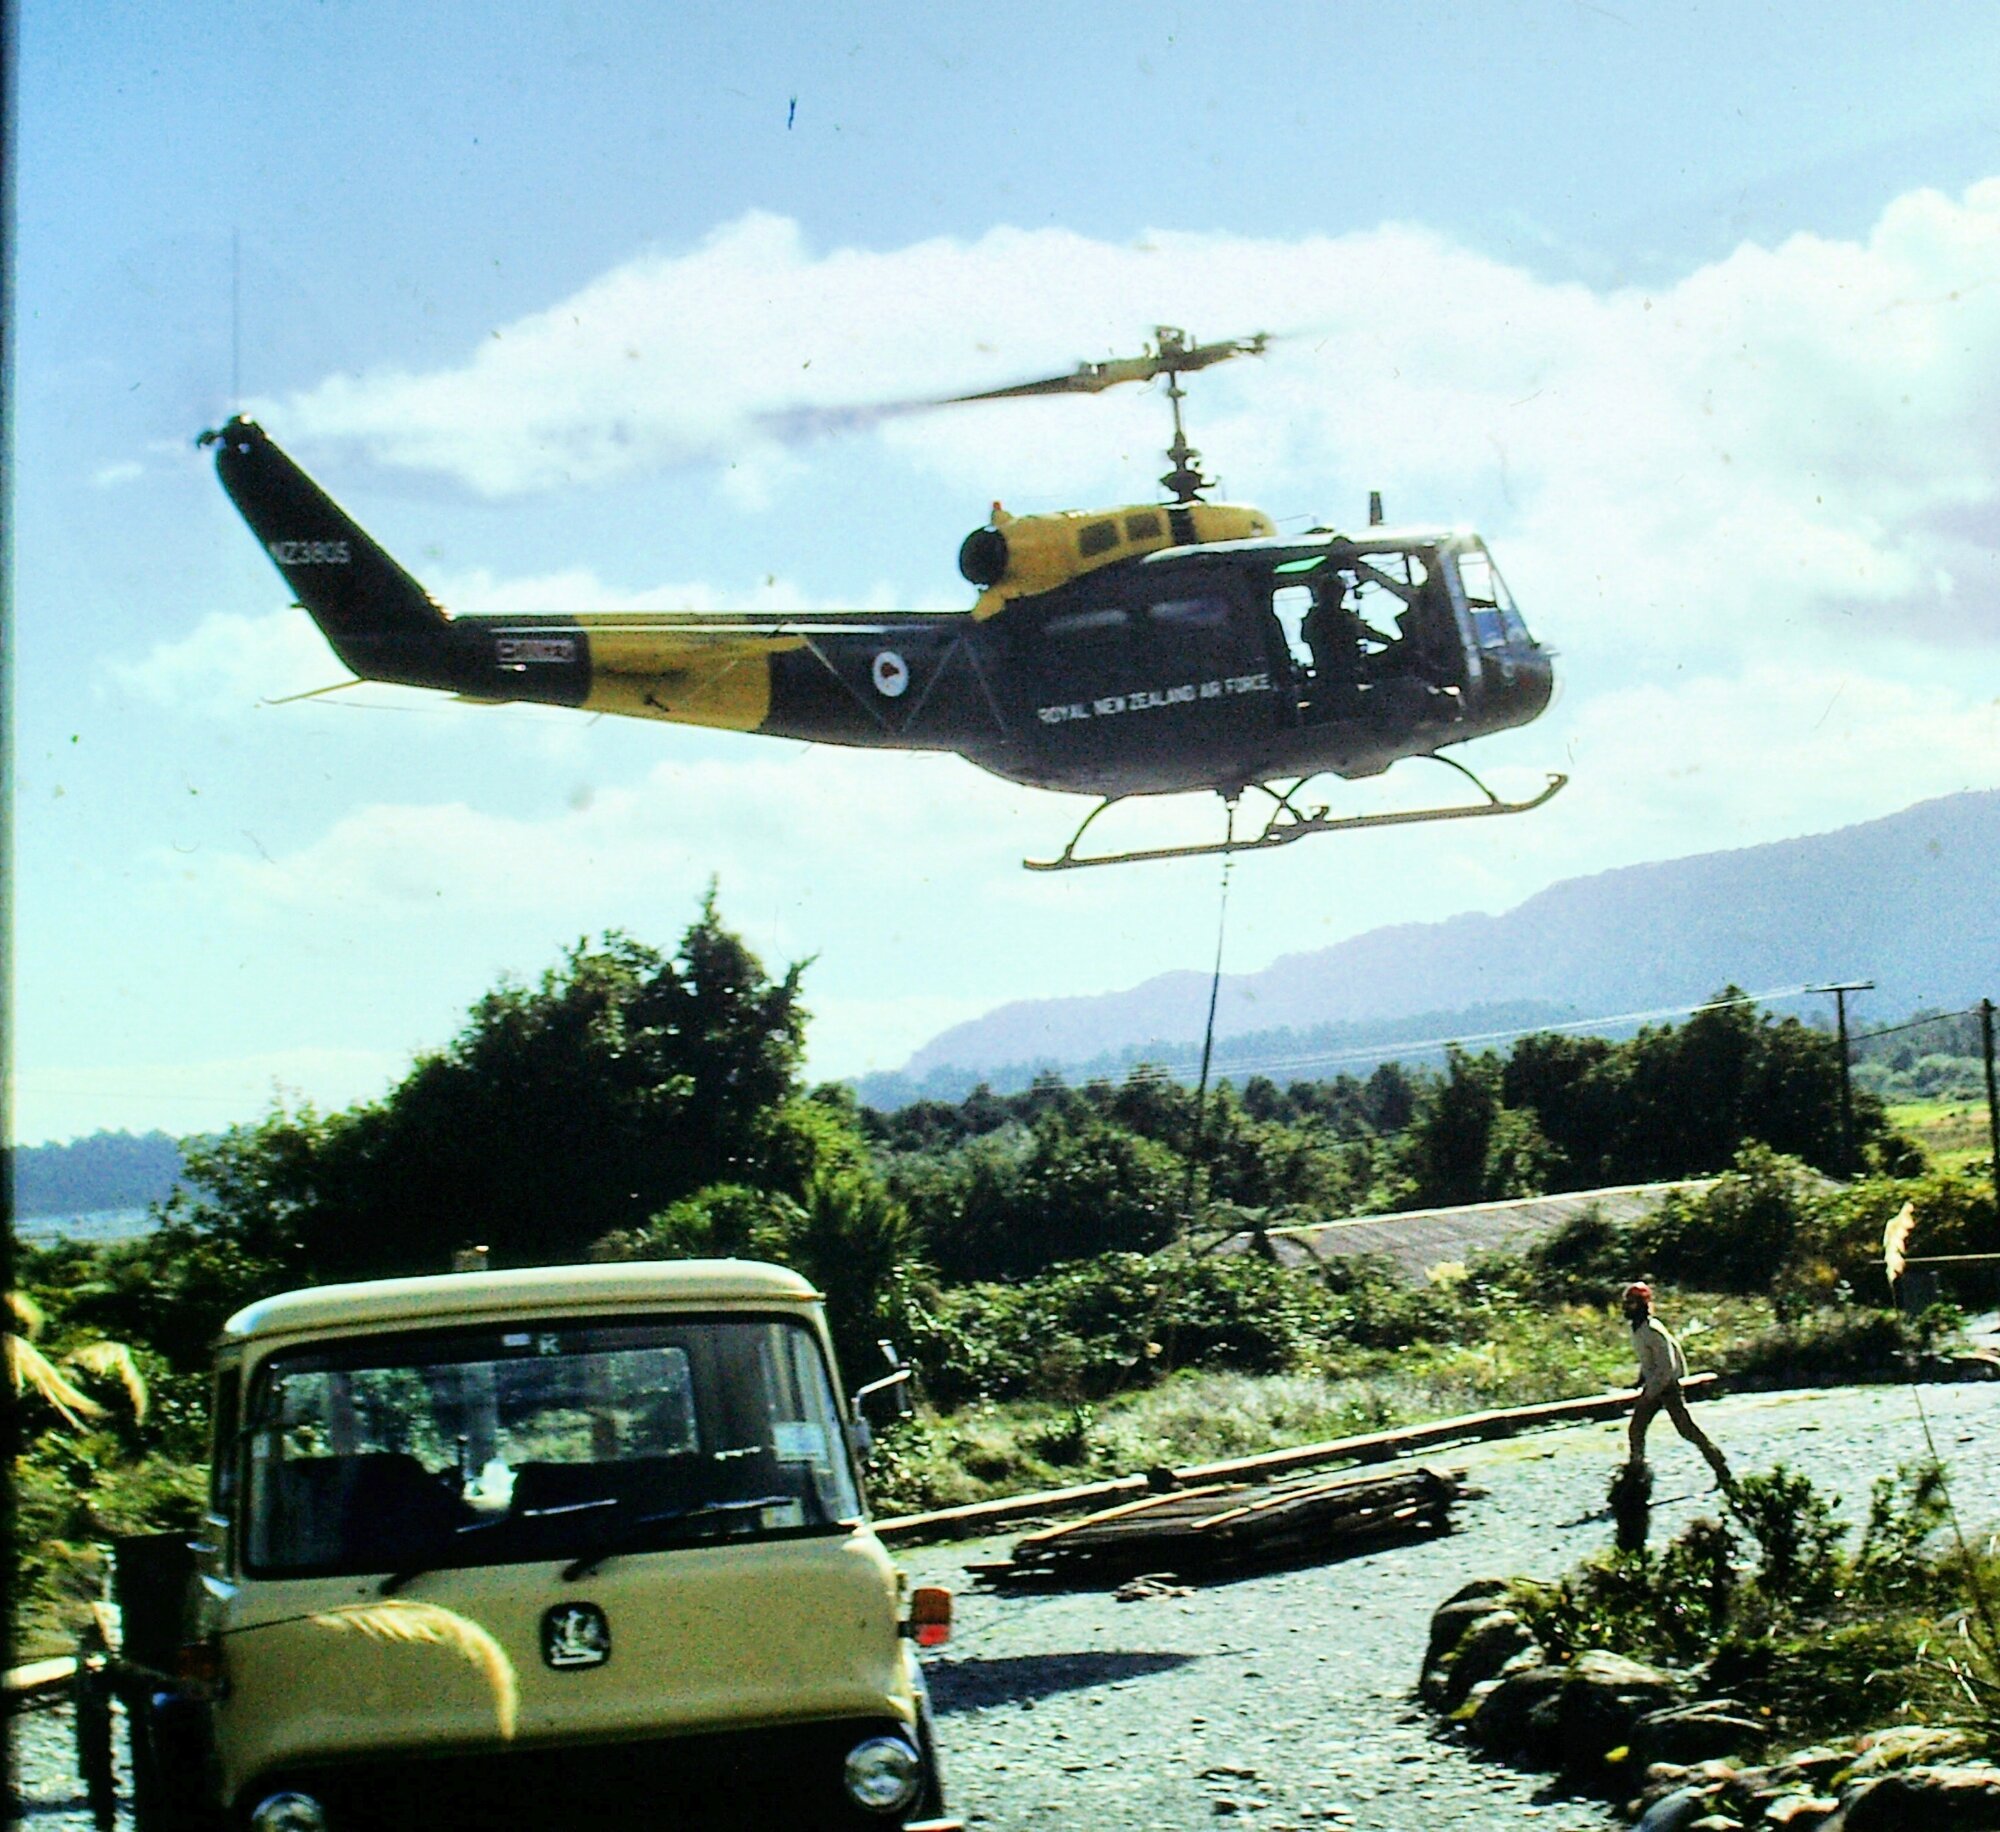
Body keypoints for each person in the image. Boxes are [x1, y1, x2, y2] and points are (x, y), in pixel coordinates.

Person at [1622, 1281, 1732, 1488]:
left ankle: (1720, 1465)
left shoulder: (1652, 1329)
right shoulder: (1639, 1329)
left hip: (1666, 1387)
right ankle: (1636, 1475)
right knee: (1636, 1429)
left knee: (1686, 1430)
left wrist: (1650, 1393)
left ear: (1641, 1304)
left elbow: (1666, 1366)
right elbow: (1649, 1360)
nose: (1627, 1307)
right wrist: (1640, 1380)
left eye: (1631, 1303)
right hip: (1655, 1386)